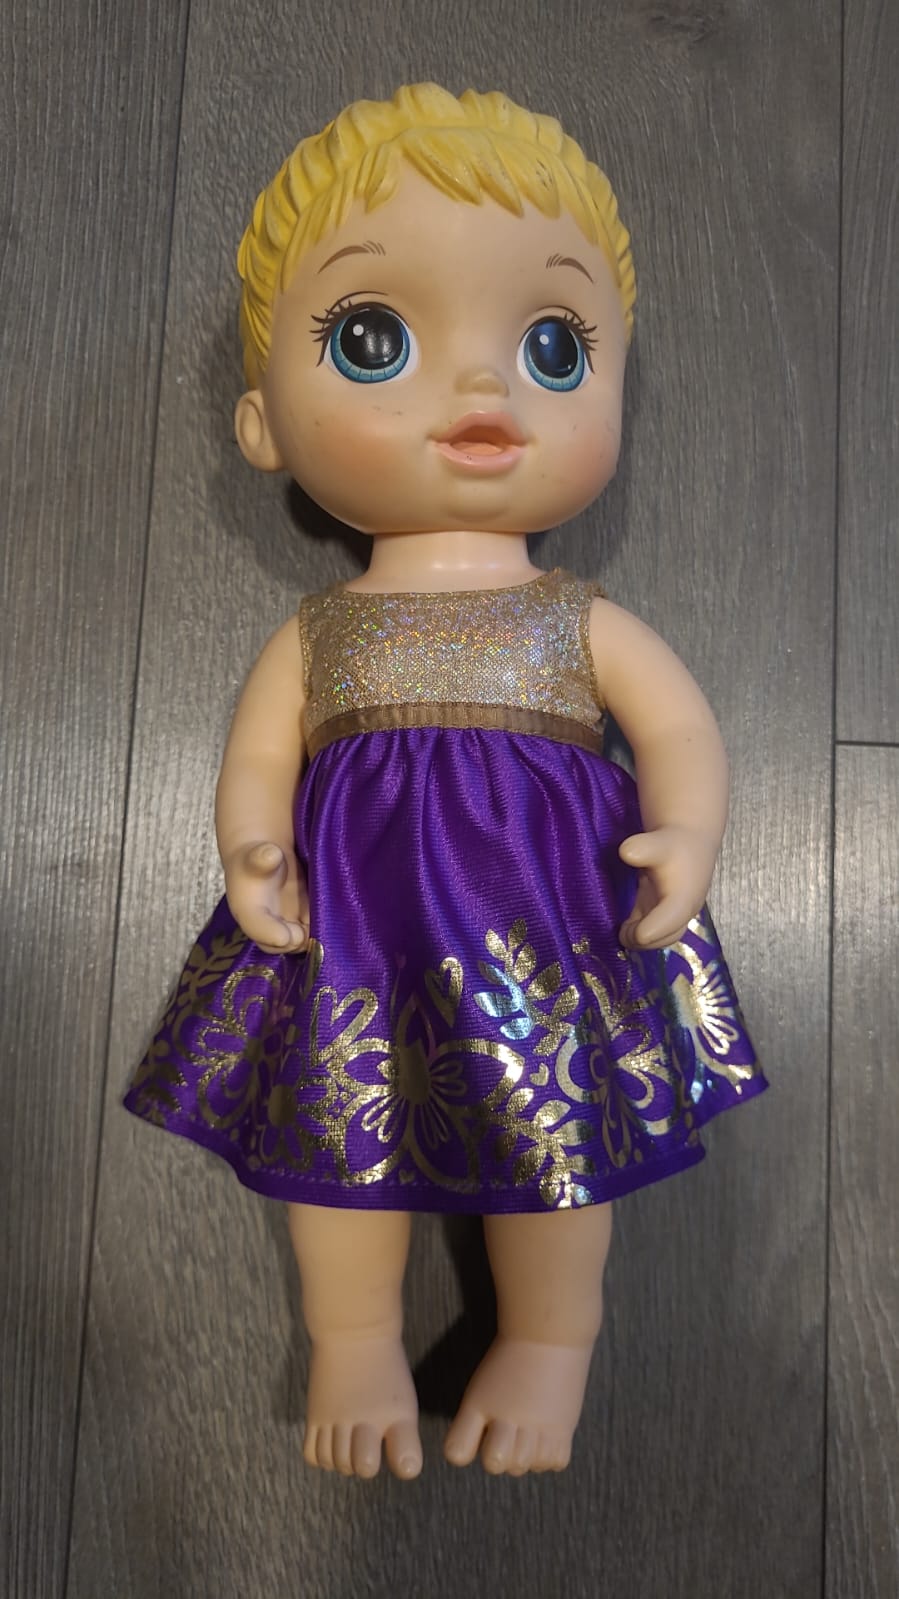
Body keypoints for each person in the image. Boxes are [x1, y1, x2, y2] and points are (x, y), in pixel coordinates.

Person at [126, 83, 765, 1482]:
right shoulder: (320, 632)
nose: (482, 391)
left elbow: (678, 725)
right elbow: (261, 752)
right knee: (336, 1131)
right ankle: (351, 1338)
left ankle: (552, 1342)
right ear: (262, 427)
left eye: (551, 346)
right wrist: (250, 846)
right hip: (352, 921)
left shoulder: (577, 618)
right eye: (376, 341)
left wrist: (689, 830)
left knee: (556, 1131)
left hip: (551, 916)